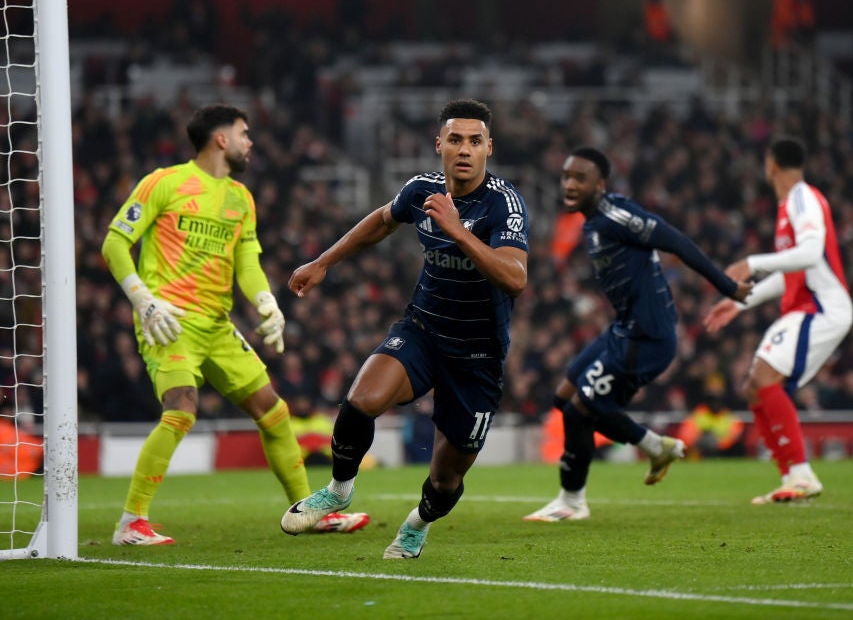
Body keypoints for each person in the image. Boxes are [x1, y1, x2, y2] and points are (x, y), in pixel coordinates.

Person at [102, 104, 369, 545]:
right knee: (181, 408)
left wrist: (266, 300)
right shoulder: (164, 183)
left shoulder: (241, 199)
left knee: (274, 411)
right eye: (244, 133)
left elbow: (246, 263)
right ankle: (131, 521)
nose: (250, 142)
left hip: (218, 326)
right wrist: (143, 300)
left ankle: (311, 512)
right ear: (221, 138)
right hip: (169, 321)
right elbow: (115, 242)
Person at [279, 99, 529, 559]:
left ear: (489, 148)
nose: (465, 149)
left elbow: (515, 278)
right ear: (439, 145)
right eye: (455, 139)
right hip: (424, 330)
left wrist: (459, 232)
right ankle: (338, 490)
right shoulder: (421, 190)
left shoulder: (504, 204)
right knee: (360, 402)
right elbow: (380, 222)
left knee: (445, 480)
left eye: (475, 141)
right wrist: (323, 261)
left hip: (478, 355)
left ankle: (417, 524)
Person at [523, 147, 751, 522]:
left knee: (581, 412)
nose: (569, 184)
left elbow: (675, 240)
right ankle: (653, 445)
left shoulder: (617, 216)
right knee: (563, 397)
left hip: (647, 338)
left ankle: (571, 502)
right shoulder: (593, 221)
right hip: (623, 329)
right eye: (566, 176)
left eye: (580, 178)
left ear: (600, 184)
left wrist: (727, 287)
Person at [705, 137, 852, 504]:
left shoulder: (802, 198)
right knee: (756, 387)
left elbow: (810, 253)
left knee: (763, 378)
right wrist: (740, 304)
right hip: (806, 307)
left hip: (821, 307)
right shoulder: (791, 204)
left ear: (771, 165)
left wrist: (753, 263)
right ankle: (791, 476)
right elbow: (793, 271)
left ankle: (801, 475)